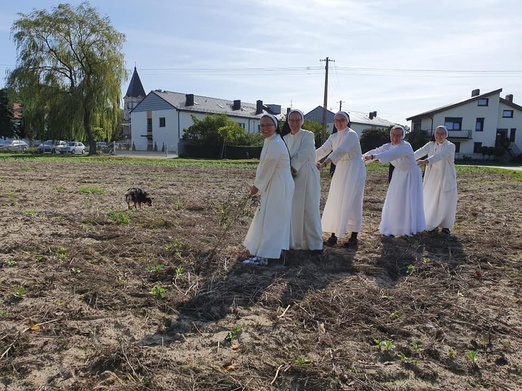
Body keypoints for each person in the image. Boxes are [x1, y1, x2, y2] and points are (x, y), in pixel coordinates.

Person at [243, 114, 295, 265]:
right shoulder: (271, 141)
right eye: (262, 125)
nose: (264, 128)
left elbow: (267, 168)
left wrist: (256, 187)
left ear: (276, 126)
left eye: (268, 125)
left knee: (272, 219)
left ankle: (265, 256)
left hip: (278, 185)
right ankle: (269, 252)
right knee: (270, 218)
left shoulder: (276, 143)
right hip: (275, 183)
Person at [316, 111, 366, 248]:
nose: (339, 122)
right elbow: (322, 150)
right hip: (341, 168)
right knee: (336, 199)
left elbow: (340, 151)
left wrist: (325, 164)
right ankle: (333, 235)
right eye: (336, 120)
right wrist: (308, 159)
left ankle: (353, 237)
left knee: (352, 200)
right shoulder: (333, 136)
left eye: (342, 119)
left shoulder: (351, 134)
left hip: (354, 168)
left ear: (347, 121)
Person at [364, 125, 426, 237]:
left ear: (402, 136)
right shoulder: (388, 146)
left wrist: (374, 157)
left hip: (411, 174)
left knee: (408, 200)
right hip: (398, 173)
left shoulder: (406, 146)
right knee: (395, 199)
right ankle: (392, 226)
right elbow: (378, 150)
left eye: (398, 135)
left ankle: (409, 228)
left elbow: (391, 154)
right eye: (393, 135)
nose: (395, 137)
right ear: (390, 135)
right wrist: (362, 157)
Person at [283, 109, 323, 252]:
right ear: (288, 122)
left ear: (302, 121)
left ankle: (315, 245)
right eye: (291, 120)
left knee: (310, 209)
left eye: (297, 120)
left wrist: (290, 168)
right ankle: (296, 243)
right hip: (292, 176)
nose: (294, 123)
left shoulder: (308, 135)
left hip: (306, 175)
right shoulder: (285, 138)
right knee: (294, 210)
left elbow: (304, 152)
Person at [414, 125, 457, 234]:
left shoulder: (450, 146)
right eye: (437, 133)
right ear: (434, 134)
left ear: (446, 135)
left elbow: (441, 155)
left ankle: (445, 226)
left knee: (445, 201)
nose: (439, 136)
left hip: (445, 177)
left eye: (442, 133)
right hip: (432, 176)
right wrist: (408, 158)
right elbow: (419, 152)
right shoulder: (431, 145)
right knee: (430, 198)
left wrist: (426, 161)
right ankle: (431, 222)